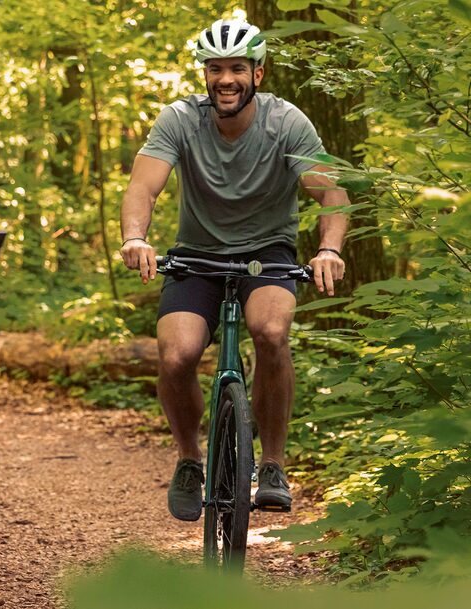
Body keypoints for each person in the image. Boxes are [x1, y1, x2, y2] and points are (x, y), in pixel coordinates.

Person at [119, 18, 348, 521]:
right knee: (176, 356)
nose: (226, 79)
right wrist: (136, 237)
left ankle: (271, 464)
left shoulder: (286, 123)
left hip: (268, 255)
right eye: (215, 68)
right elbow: (143, 187)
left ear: (258, 74)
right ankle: (188, 459)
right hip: (196, 257)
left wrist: (329, 248)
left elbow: (332, 192)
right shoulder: (179, 120)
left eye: (237, 69)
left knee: (270, 332)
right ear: (204, 74)